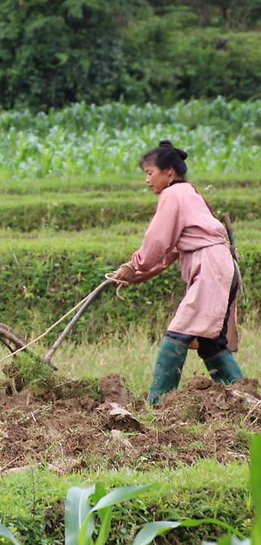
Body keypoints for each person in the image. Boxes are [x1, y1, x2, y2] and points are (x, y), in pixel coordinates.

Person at [112, 140, 242, 405]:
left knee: (179, 332)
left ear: (169, 171)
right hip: (217, 267)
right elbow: (169, 252)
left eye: (150, 173)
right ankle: (243, 397)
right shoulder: (190, 194)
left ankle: (157, 403)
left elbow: (158, 241)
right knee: (211, 342)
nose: (147, 180)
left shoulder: (173, 195)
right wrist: (136, 274)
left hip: (211, 269)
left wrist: (134, 264)